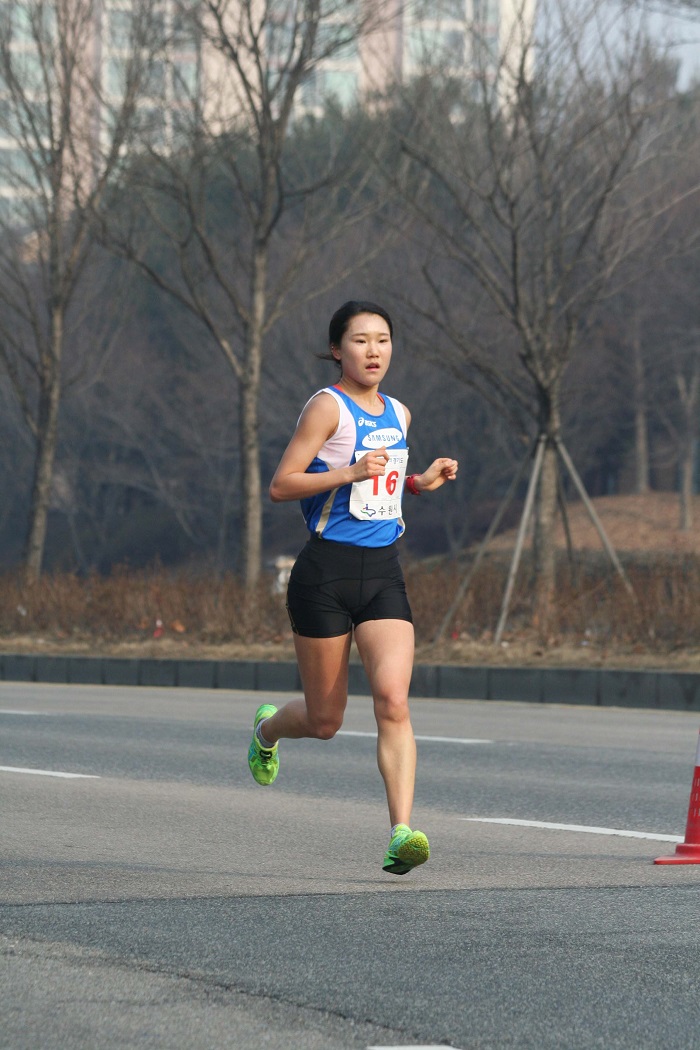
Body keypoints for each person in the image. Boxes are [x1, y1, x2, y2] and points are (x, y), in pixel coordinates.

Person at [248, 300, 458, 875]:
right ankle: (267, 729)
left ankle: (402, 832)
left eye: (383, 340)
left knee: (393, 700)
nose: (374, 351)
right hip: (323, 576)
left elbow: (382, 488)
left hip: (383, 571)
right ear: (338, 349)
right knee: (325, 722)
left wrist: (418, 483)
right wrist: (348, 472)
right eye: (360, 341)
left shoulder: (401, 413)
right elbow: (282, 485)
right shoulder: (326, 407)